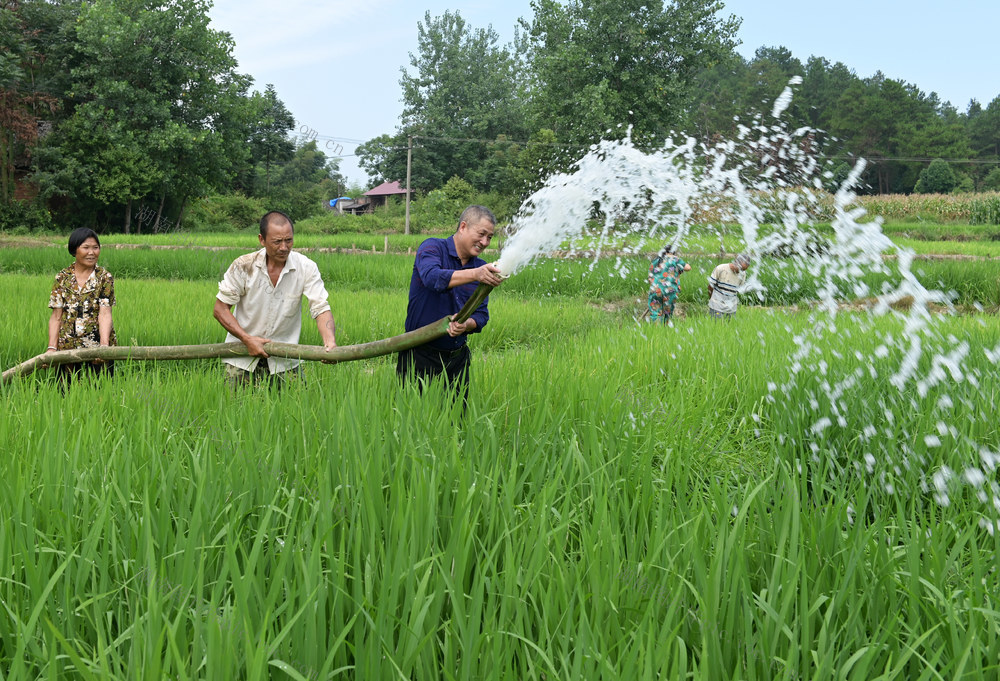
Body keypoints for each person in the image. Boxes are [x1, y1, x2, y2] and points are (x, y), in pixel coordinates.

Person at [213, 211, 337, 387]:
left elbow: (320, 307)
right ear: (262, 240)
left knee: (297, 410)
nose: (284, 247)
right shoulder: (243, 266)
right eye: (277, 242)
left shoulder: (306, 267)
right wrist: (247, 339)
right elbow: (220, 309)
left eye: (289, 240)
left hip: (285, 359)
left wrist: (329, 341)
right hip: (241, 358)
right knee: (235, 410)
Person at [396, 205, 504, 403]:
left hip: (456, 360)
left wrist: (466, 325)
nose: (485, 242)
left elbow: (481, 315)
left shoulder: (482, 267)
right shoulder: (432, 247)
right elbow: (432, 278)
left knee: (455, 426)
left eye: (489, 237)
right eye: (481, 234)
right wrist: (475, 274)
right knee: (411, 424)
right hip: (419, 354)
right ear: (463, 227)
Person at [45, 227, 117, 380]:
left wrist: (104, 347)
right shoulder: (62, 278)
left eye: (95, 248)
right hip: (68, 347)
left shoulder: (104, 277)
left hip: (96, 345)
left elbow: (105, 313)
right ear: (74, 250)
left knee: (101, 393)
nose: (91, 252)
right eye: (86, 247)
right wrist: (52, 347)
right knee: (65, 393)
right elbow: (56, 316)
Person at [647, 245, 691, 323]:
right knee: (667, 313)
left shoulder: (656, 260)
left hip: (656, 290)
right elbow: (688, 268)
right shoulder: (675, 259)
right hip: (670, 291)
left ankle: (656, 332)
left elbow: (650, 279)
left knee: (655, 313)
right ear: (673, 252)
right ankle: (665, 331)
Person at [707, 253, 751, 319]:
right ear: (736, 262)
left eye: (744, 269)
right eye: (741, 268)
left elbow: (739, 289)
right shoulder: (721, 269)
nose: (741, 271)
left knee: (729, 328)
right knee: (716, 327)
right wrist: (712, 300)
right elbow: (710, 286)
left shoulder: (743, 274)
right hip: (717, 307)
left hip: (731, 309)